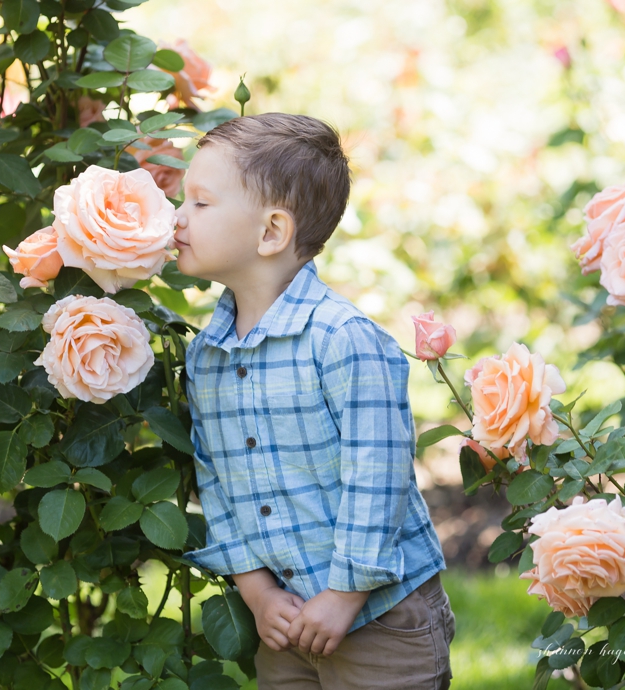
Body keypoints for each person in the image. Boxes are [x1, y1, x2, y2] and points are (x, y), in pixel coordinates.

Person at [174, 113, 453, 689]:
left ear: (271, 232)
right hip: (287, 617)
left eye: (200, 204)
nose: (178, 218)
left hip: (382, 617)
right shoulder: (206, 355)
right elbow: (217, 481)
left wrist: (344, 593)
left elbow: (378, 479)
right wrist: (256, 591)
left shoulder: (342, 341)